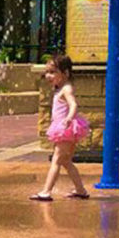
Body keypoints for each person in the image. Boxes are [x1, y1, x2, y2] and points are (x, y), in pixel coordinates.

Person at [30, 54, 90, 202]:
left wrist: (69, 118)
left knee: (56, 159)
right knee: (66, 161)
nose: (48, 76)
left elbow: (74, 104)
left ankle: (46, 191)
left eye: (52, 72)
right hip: (64, 127)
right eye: (47, 72)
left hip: (66, 128)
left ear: (66, 73)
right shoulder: (60, 88)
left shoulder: (66, 88)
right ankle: (80, 190)